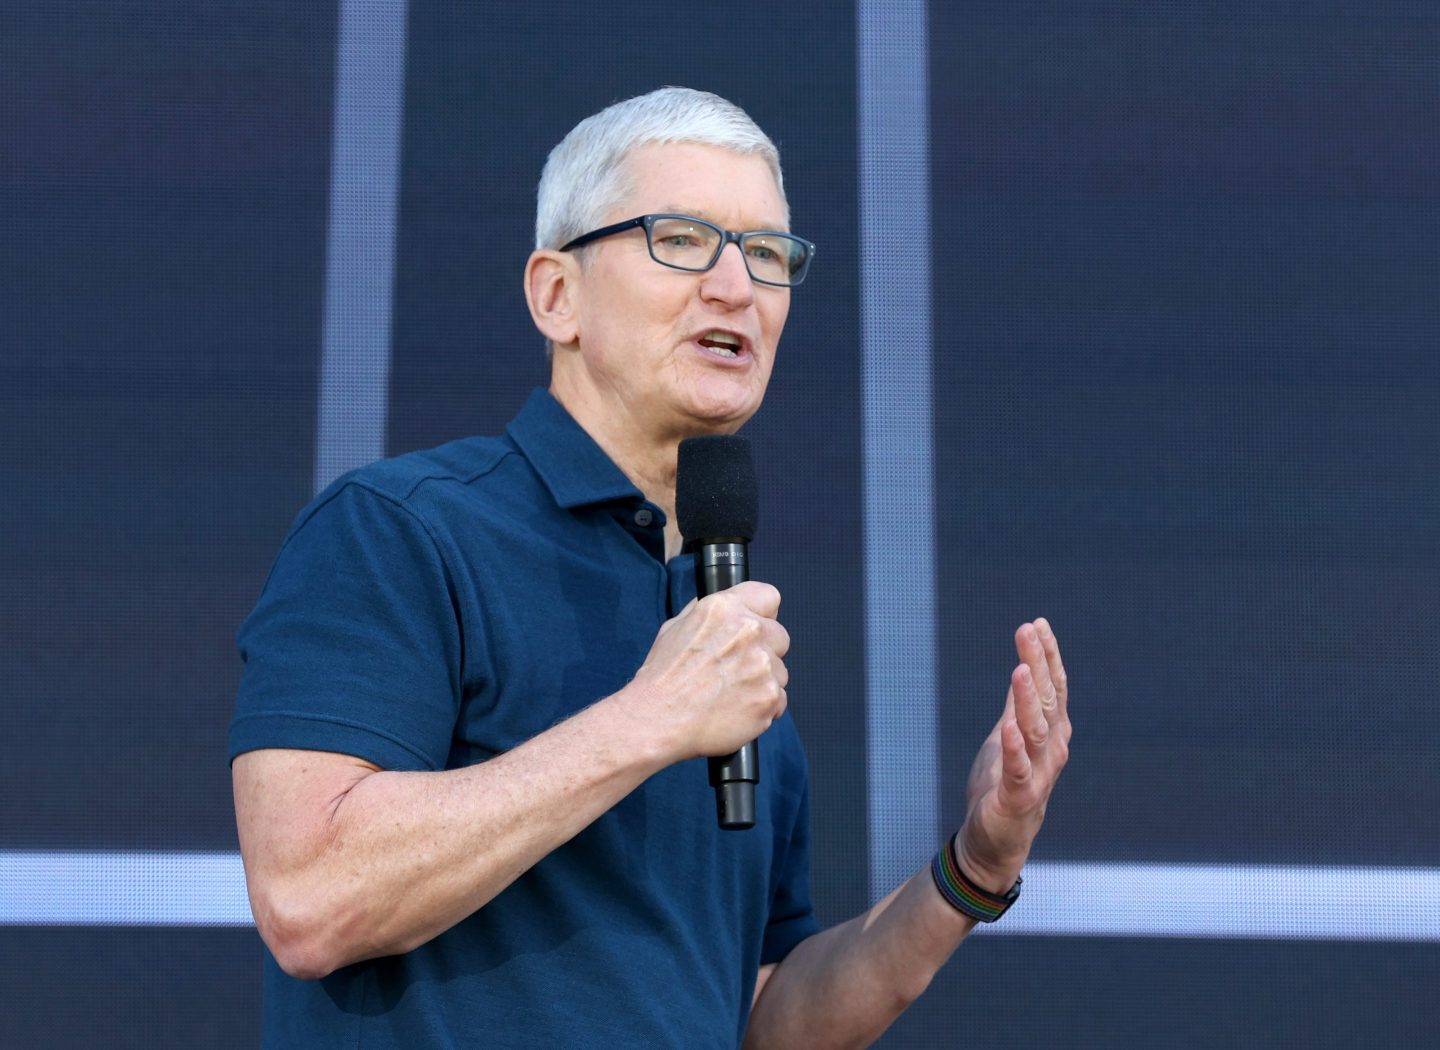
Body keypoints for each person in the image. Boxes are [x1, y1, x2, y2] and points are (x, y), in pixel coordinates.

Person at [230, 86, 1071, 1049]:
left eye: (766, 254)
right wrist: (651, 719)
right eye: (681, 238)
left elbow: (756, 1013)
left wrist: (972, 869)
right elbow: (309, 892)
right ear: (557, 295)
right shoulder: (399, 532)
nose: (735, 287)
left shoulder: (725, 634)